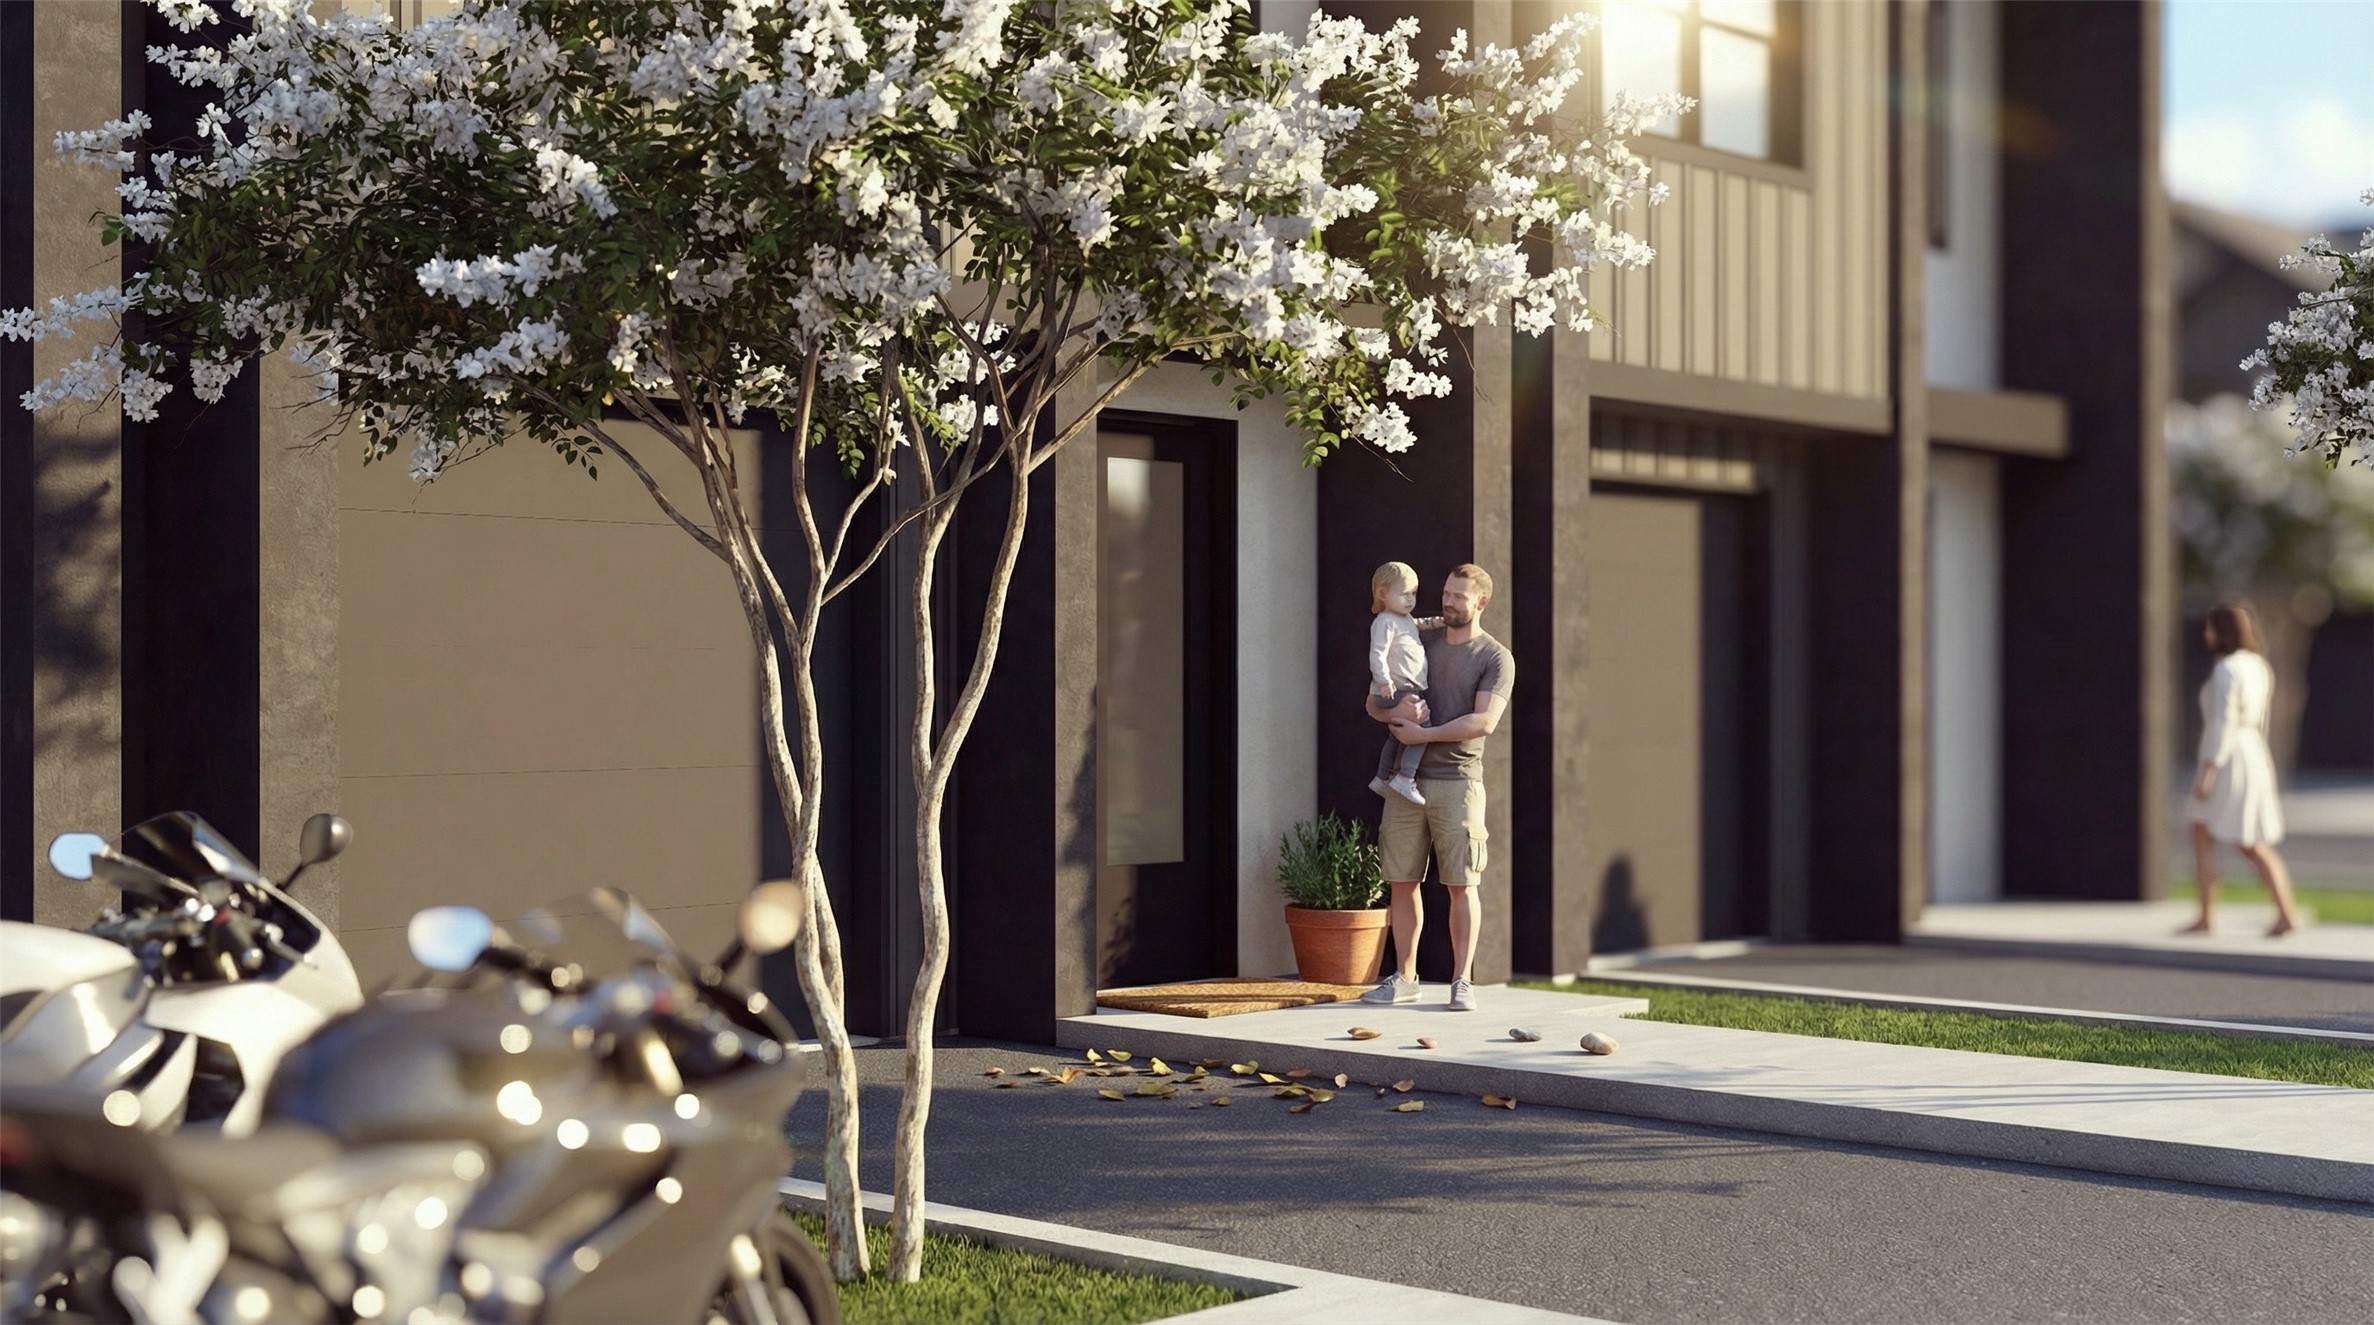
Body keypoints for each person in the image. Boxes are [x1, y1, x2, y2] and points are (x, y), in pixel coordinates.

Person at [1359, 564, 1513, 1012]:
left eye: (1458, 597)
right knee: (1402, 882)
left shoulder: (1494, 657)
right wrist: (1394, 712)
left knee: (1461, 884)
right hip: (1405, 786)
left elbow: (1484, 722)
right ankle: (1405, 977)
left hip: (1458, 783)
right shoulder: (1416, 636)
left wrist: (1423, 736)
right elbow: (1372, 703)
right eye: (1445, 593)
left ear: (1481, 602)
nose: (1446, 602)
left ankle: (1461, 981)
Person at [2182, 602, 2303, 938]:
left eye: (2210, 627)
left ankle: (2211, 917)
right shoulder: (2258, 666)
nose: (2206, 634)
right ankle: (2276, 913)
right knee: (2230, 836)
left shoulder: (2227, 670)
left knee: (2238, 839)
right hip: (2252, 752)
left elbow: (2223, 725)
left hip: (2229, 759)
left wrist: (2208, 773)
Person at [1365, 561, 1445, 807]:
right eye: (1404, 594)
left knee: (1397, 736)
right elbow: (1377, 654)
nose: (1410, 600)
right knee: (1421, 732)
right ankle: (1405, 777)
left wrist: (1434, 622)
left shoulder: (1405, 618)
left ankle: (1382, 777)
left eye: (1413, 594)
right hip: (1396, 689)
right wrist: (1385, 681)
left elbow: (1417, 625)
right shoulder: (1384, 622)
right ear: (1382, 594)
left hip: (1406, 689)